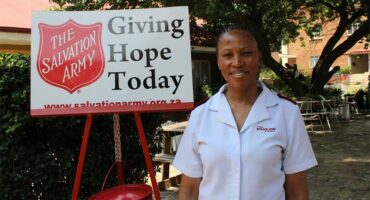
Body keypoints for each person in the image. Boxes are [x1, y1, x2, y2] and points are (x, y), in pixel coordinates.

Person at [173, 25, 318, 200]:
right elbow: (189, 190)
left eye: (246, 53)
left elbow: (297, 190)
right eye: (227, 55)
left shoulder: (287, 113)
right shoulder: (200, 115)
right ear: (219, 62)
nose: (237, 63)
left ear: (259, 58)